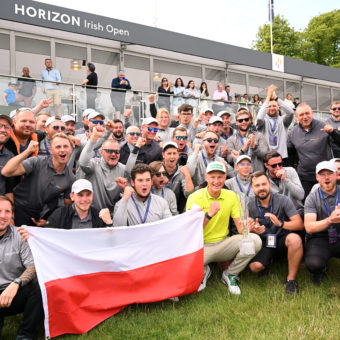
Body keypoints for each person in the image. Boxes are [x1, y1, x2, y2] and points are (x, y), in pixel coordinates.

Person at [186, 161, 262, 295]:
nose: (216, 181)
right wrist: (209, 215)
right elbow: (191, 232)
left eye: (220, 177)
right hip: (201, 246)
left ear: (225, 177)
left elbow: (240, 229)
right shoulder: (194, 197)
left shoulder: (231, 196)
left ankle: (230, 274)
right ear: (206, 177)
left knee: (254, 240)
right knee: (183, 267)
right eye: (213, 177)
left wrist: (248, 226)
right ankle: (204, 271)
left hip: (223, 244)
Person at [247, 171, 304, 294]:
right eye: (257, 185)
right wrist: (253, 229)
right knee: (254, 267)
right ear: (252, 188)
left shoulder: (283, 200)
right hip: (264, 242)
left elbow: (299, 225)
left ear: (269, 184)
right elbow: (244, 228)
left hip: (282, 239)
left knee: (295, 239)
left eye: (264, 184)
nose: (261, 188)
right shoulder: (249, 204)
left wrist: (281, 224)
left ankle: (291, 280)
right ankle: (267, 262)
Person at [2, 133, 75, 226]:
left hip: (38, 216)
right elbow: (6, 171)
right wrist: (28, 151)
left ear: (71, 150)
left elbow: (66, 207)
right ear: (51, 150)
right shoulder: (37, 161)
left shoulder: (71, 178)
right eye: (58, 147)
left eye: (65, 146)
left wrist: (49, 220)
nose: (62, 150)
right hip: (17, 210)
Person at [0, 196, 43, 340]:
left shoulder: (20, 235)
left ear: (12, 214)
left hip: (14, 294)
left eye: (7, 211)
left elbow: (32, 265)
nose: (3, 216)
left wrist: (16, 283)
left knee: (38, 284)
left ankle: (25, 333)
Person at [78, 125, 137, 213]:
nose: (113, 154)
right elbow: (83, 163)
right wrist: (94, 138)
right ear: (101, 152)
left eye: (117, 152)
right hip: (93, 215)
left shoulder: (123, 169)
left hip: (113, 215)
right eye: (109, 151)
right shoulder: (94, 164)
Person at [287, 103, 340, 198]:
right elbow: (290, 154)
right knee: (308, 203)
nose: (305, 117)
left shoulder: (324, 126)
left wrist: (333, 132)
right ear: (296, 117)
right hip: (305, 177)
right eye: (301, 115)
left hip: (325, 175)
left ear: (312, 113)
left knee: (329, 202)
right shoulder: (292, 132)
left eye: (307, 113)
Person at [304, 161, 340, 285]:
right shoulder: (312, 197)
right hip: (321, 237)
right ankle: (321, 270)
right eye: (322, 174)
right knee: (314, 264)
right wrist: (330, 220)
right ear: (317, 177)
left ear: (336, 175)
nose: (326, 177)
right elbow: (309, 227)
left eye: (330, 173)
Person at [45, 179, 112, 229]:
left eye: (88, 195)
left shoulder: (99, 217)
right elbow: (48, 238)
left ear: (93, 195)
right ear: (72, 196)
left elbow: (110, 243)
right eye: (80, 195)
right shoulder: (59, 215)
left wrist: (109, 223)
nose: (85, 199)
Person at [256, 85, 294, 162]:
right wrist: (268, 97)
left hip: (282, 157)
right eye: (269, 106)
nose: (272, 108)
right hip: (266, 157)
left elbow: (291, 112)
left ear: (278, 107)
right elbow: (259, 118)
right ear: (266, 107)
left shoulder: (283, 120)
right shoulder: (263, 121)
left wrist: (276, 98)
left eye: (274, 106)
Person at [264, 150, 304, 215]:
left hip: (296, 210)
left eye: (280, 164)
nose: (278, 167)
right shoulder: (264, 178)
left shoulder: (290, 171)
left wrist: (285, 179)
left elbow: (300, 196)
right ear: (266, 165)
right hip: (278, 214)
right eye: (274, 166)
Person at [161, 141, 194, 213]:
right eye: (169, 153)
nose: (172, 156)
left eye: (174, 153)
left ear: (178, 155)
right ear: (163, 155)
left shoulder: (182, 171)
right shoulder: (158, 169)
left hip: (176, 209)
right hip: (159, 208)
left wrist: (187, 175)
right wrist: (161, 177)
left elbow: (189, 195)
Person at [0, 115, 15, 200]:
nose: (3, 130)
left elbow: (9, 190)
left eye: (6, 127)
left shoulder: (10, 156)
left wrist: (11, 211)